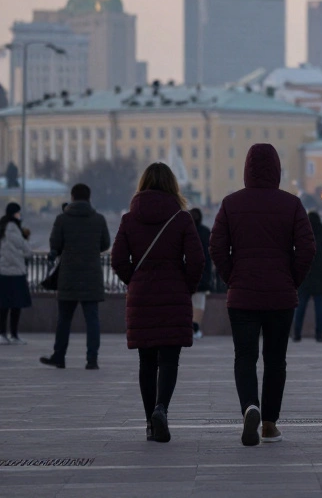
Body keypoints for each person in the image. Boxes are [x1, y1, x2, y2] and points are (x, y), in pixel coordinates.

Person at [211, 144, 316, 447]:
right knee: (275, 360)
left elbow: (217, 246)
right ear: (278, 170)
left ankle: (250, 407)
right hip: (281, 295)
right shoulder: (292, 204)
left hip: (242, 295)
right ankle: (269, 424)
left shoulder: (231, 203)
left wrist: (232, 277)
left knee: (244, 357)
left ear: (246, 169)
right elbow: (308, 248)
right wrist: (291, 280)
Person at [109, 163, 205, 442]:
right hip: (173, 293)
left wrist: (134, 281)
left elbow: (117, 260)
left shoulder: (129, 219)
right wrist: (186, 286)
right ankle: (162, 409)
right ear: (172, 185)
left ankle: (150, 422)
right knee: (170, 359)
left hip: (141, 296)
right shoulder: (182, 218)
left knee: (146, 361)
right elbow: (197, 260)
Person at [39, 184, 112, 369]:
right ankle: (92, 359)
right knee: (92, 320)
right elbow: (105, 244)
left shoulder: (62, 219)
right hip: (91, 276)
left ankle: (59, 356)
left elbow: (55, 243)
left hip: (68, 275)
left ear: (72, 197)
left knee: (64, 319)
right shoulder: (99, 219)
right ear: (89, 197)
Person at [294, 211, 322, 343]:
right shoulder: (321, 231)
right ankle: (319, 334)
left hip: (305, 275)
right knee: (319, 307)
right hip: (320, 276)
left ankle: (296, 334)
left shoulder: (303, 231)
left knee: (300, 306)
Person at [0, 203, 33, 346]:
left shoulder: (1, 228)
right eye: (19, 213)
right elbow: (28, 252)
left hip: (2, 272)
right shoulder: (14, 229)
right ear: (15, 214)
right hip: (16, 272)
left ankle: (2, 334)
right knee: (16, 305)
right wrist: (25, 237)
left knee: (3, 306)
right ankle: (14, 334)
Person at [190, 208, 214, 339]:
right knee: (199, 303)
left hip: (186, 274)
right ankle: (196, 328)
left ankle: (189, 327)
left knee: (188, 302)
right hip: (203, 273)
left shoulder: (185, 231)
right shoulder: (205, 232)